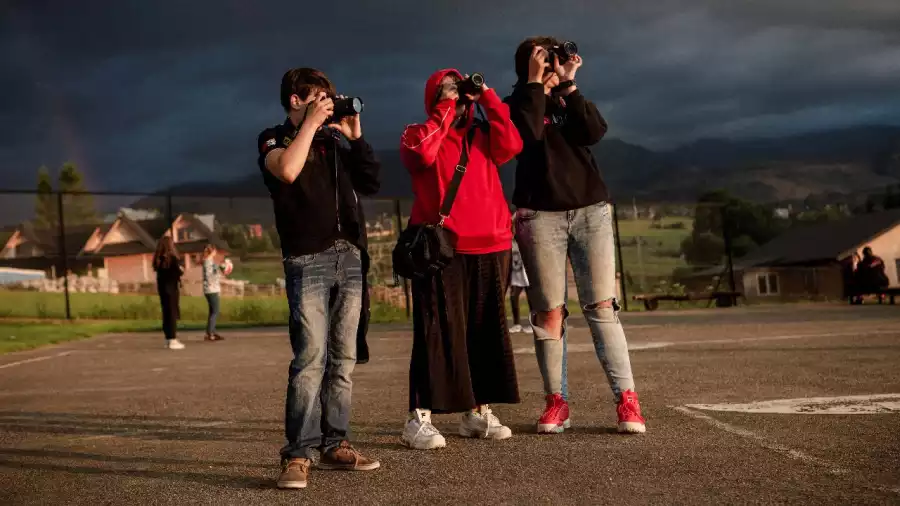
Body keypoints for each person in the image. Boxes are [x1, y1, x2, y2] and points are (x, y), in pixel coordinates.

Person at [504, 36, 646, 434]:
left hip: (591, 211)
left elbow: (594, 131)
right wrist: (534, 83)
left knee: (602, 307)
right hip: (538, 216)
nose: (551, 64)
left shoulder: (568, 98)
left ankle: (627, 401)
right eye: (543, 60)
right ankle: (556, 402)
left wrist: (568, 84)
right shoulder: (516, 103)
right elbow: (527, 136)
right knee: (548, 312)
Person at [257, 67, 382, 490]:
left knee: (343, 358)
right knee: (310, 358)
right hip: (306, 259)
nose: (329, 103)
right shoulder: (273, 138)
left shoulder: (334, 143)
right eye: (320, 96)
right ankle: (298, 454)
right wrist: (310, 124)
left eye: (331, 97)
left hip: (348, 256)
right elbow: (288, 171)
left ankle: (336, 443)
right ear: (296, 99)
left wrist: (356, 136)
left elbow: (372, 182)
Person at [398, 68, 524, 450]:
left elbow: (513, 143)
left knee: (483, 332)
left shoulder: (483, 135)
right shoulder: (417, 133)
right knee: (437, 332)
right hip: (444, 249)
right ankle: (418, 417)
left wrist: (486, 96)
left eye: (459, 88)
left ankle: (476, 411)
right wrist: (445, 108)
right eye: (448, 88)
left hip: (493, 244)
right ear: (434, 96)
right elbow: (423, 154)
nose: (458, 93)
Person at [152, 236, 184, 350]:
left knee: (166, 313)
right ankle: (173, 339)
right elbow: (178, 272)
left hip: (162, 290)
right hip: (172, 289)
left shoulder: (159, 259)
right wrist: (181, 270)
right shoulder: (172, 259)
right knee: (172, 313)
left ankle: (168, 338)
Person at [509, 215, 533, 334]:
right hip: (516, 275)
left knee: (531, 300)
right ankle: (517, 323)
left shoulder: (525, 239)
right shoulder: (510, 242)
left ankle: (533, 323)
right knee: (513, 297)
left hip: (527, 275)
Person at [201, 244, 226, 342]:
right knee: (215, 311)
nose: (216, 253)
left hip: (212, 289)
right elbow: (209, 276)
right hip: (211, 290)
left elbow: (216, 273)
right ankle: (210, 333)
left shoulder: (210, 261)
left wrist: (222, 269)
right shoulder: (208, 262)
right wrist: (216, 273)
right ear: (212, 252)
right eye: (215, 251)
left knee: (212, 311)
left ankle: (211, 332)